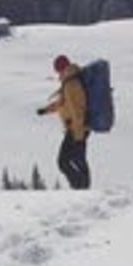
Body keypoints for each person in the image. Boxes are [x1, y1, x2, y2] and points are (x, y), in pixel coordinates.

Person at [36, 54, 90, 189]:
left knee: (63, 161)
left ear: (61, 68)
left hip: (77, 128)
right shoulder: (69, 82)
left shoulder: (71, 84)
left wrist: (78, 136)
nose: (57, 74)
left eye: (57, 70)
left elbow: (78, 109)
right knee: (78, 160)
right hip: (78, 128)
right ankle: (83, 189)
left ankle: (80, 189)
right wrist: (46, 110)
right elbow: (62, 104)